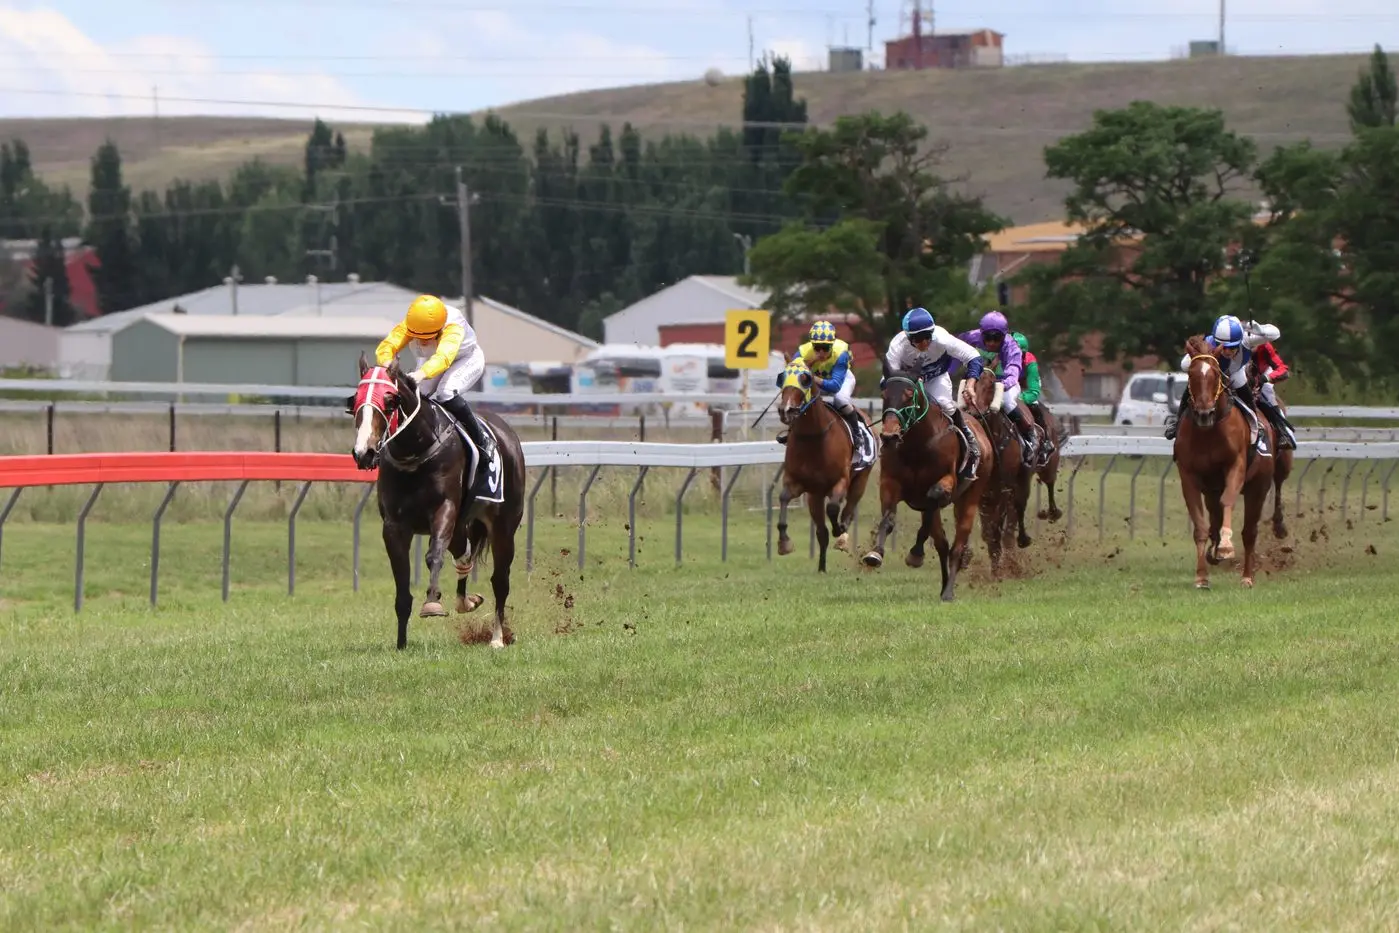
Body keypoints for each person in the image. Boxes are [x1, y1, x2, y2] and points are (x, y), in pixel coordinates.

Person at [375, 293, 496, 463]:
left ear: (439, 329)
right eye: (418, 337)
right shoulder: (414, 323)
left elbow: (444, 358)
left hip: (465, 359)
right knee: (415, 395)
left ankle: (482, 442)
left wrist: (419, 374)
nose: (422, 343)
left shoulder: (453, 325)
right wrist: (388, 365)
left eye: (427, 338)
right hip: (432, 361)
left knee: (445, 393)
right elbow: (387, 346)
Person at [883, 306, 986, 479]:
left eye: (927, 337)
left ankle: (970, 442)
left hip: (936, 378)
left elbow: (973, 356)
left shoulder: (942, 338)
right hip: (906, 381)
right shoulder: (897, 345)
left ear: (933, 332)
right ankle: (887, 442)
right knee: (894, 402)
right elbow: (889, 378)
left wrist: (970, 384)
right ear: (907, 336)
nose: (923, 342)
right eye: (916, 338)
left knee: (946, 404)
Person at [1164, 314, 1280, 445]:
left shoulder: (1247, 340)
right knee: (1190, 391)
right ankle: (1177, 422)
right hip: (1214, 376)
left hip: (1236, 373)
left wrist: (1260, 331)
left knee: (1247, 396)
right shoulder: (1208, 344)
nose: (1227, 351)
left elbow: (1276, 334)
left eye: (1232, 347)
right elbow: (1184, 365)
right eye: (1223, 346)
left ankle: (1255, 424)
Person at [953, 310, 1040, 466]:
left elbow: (1013, 372)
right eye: (988, 338)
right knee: (961, 403)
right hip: (981, 381)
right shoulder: (970, 338)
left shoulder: (1012, 347)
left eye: (997, 338)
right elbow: (953, 352)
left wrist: (1002, 385)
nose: (992, 343)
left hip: (1005, 383)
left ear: (1004, 336)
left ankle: (1029, 436)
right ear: (981, 334)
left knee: (1006, 401)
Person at [775, 319, 863, 445]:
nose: (821, 352)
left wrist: (813, 378)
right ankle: (791, 431)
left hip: (841, 379)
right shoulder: (802, 352)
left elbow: (834, 386)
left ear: (832, 344)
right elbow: (794, 373)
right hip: (815, 378)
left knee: (841, 400)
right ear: (812, 344)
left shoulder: (841, 353)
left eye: (825, 347)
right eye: (817, 347)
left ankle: (856, 434)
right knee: (800, 399)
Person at [1007, 331, 1056, 462]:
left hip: (1026, 387)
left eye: (1018, 354)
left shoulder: (1030, 362)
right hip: (1009, 387)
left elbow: (1034, 391)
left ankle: (1046, 441)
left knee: (1033, 403)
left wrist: (1019, 399)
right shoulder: (1000, 359)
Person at [1251, 338, 1298, 450]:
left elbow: (1283, 370)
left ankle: (1283, 433)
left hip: (1261, 377)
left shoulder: (1265, 347)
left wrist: (1267, 377)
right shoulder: (1233, 345)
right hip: (1240, 376)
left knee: (1267, 391)